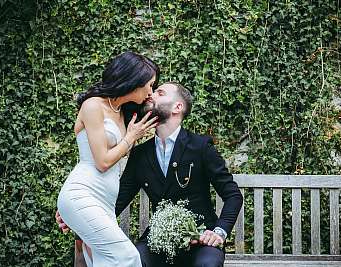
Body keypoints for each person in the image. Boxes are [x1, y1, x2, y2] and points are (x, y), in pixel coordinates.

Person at [57, 82, 243, 267]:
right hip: (157, 242)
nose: (151, 95)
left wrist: (218, 232)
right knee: (133, 261)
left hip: (201, 241)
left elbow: (232, 195)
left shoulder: (201, 147)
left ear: (177, 107)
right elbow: (118, 200)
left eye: (160, 93)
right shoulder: (140, 154)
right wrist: (77, 216)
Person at [56, 51, 159, 267]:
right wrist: (130, 138)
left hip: (105, 200)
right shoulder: (93, 105)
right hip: (82, 193)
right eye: (149, 85)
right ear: (133, 81)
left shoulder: (124, 111)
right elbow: (101, 162)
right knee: (127, 257)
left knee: (104, 261)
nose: (151, 91)